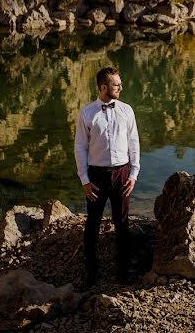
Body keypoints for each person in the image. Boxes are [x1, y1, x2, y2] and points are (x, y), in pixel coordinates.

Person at [74, 66, 140, 285]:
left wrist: (134, 174)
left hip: (122, 174)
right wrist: (84, 179)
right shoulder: (87, 113)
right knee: (92, 223)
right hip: (96, 176)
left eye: (120, 84)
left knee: (122, 222)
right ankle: (91, 273)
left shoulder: (127, 110)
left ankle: (123, 272)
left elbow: (134, 143)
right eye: (116, 84)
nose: (121, 87)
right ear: (103, 87)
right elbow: (80, 147)